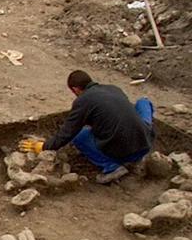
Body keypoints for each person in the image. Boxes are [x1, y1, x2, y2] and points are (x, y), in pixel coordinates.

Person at [19, 70, 155, 184]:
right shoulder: (113, 89)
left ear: (76, 89)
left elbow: (68, 132)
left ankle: (112, 167)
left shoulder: (83, 101)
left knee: (79, 136)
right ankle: (140, 154)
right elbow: (117, 113)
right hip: (145, 143)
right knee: (143, 102)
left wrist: (44, 146)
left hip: (124, 151)